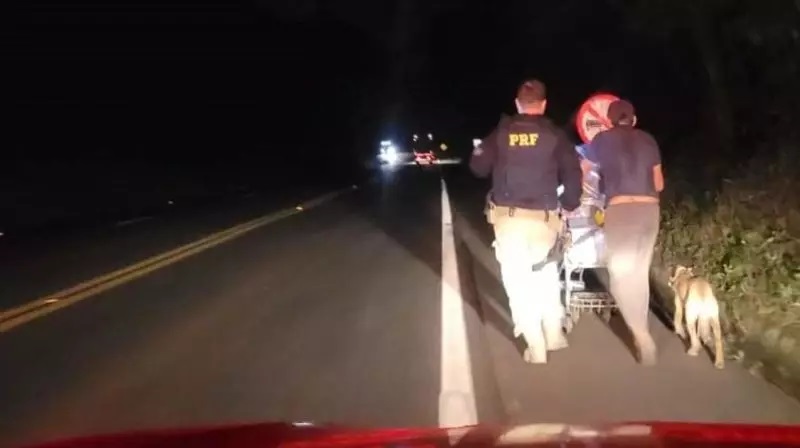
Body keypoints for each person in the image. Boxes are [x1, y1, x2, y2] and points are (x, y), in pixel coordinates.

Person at [470, 79, 583, 364]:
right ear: (543, 105)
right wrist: (570, 204)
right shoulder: (555, 135)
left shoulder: (502, 133)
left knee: (518, 281)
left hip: (509, 221)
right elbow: (573, 173)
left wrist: (482, 150)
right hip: (545, 222)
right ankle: (554, 334)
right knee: (546, 273)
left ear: (517, 104)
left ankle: (536, 346)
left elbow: (478, 167)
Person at [587, 99, 664, 365]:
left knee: (619, 277)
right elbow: (659, 184)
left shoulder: (601, 140)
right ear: (634, 119)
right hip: (649, 211)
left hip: (621, 213)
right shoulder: (649, 140)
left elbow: (584, 173)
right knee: (639, 273)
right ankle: (641, 327)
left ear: (609, 121)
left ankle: (642, 336)